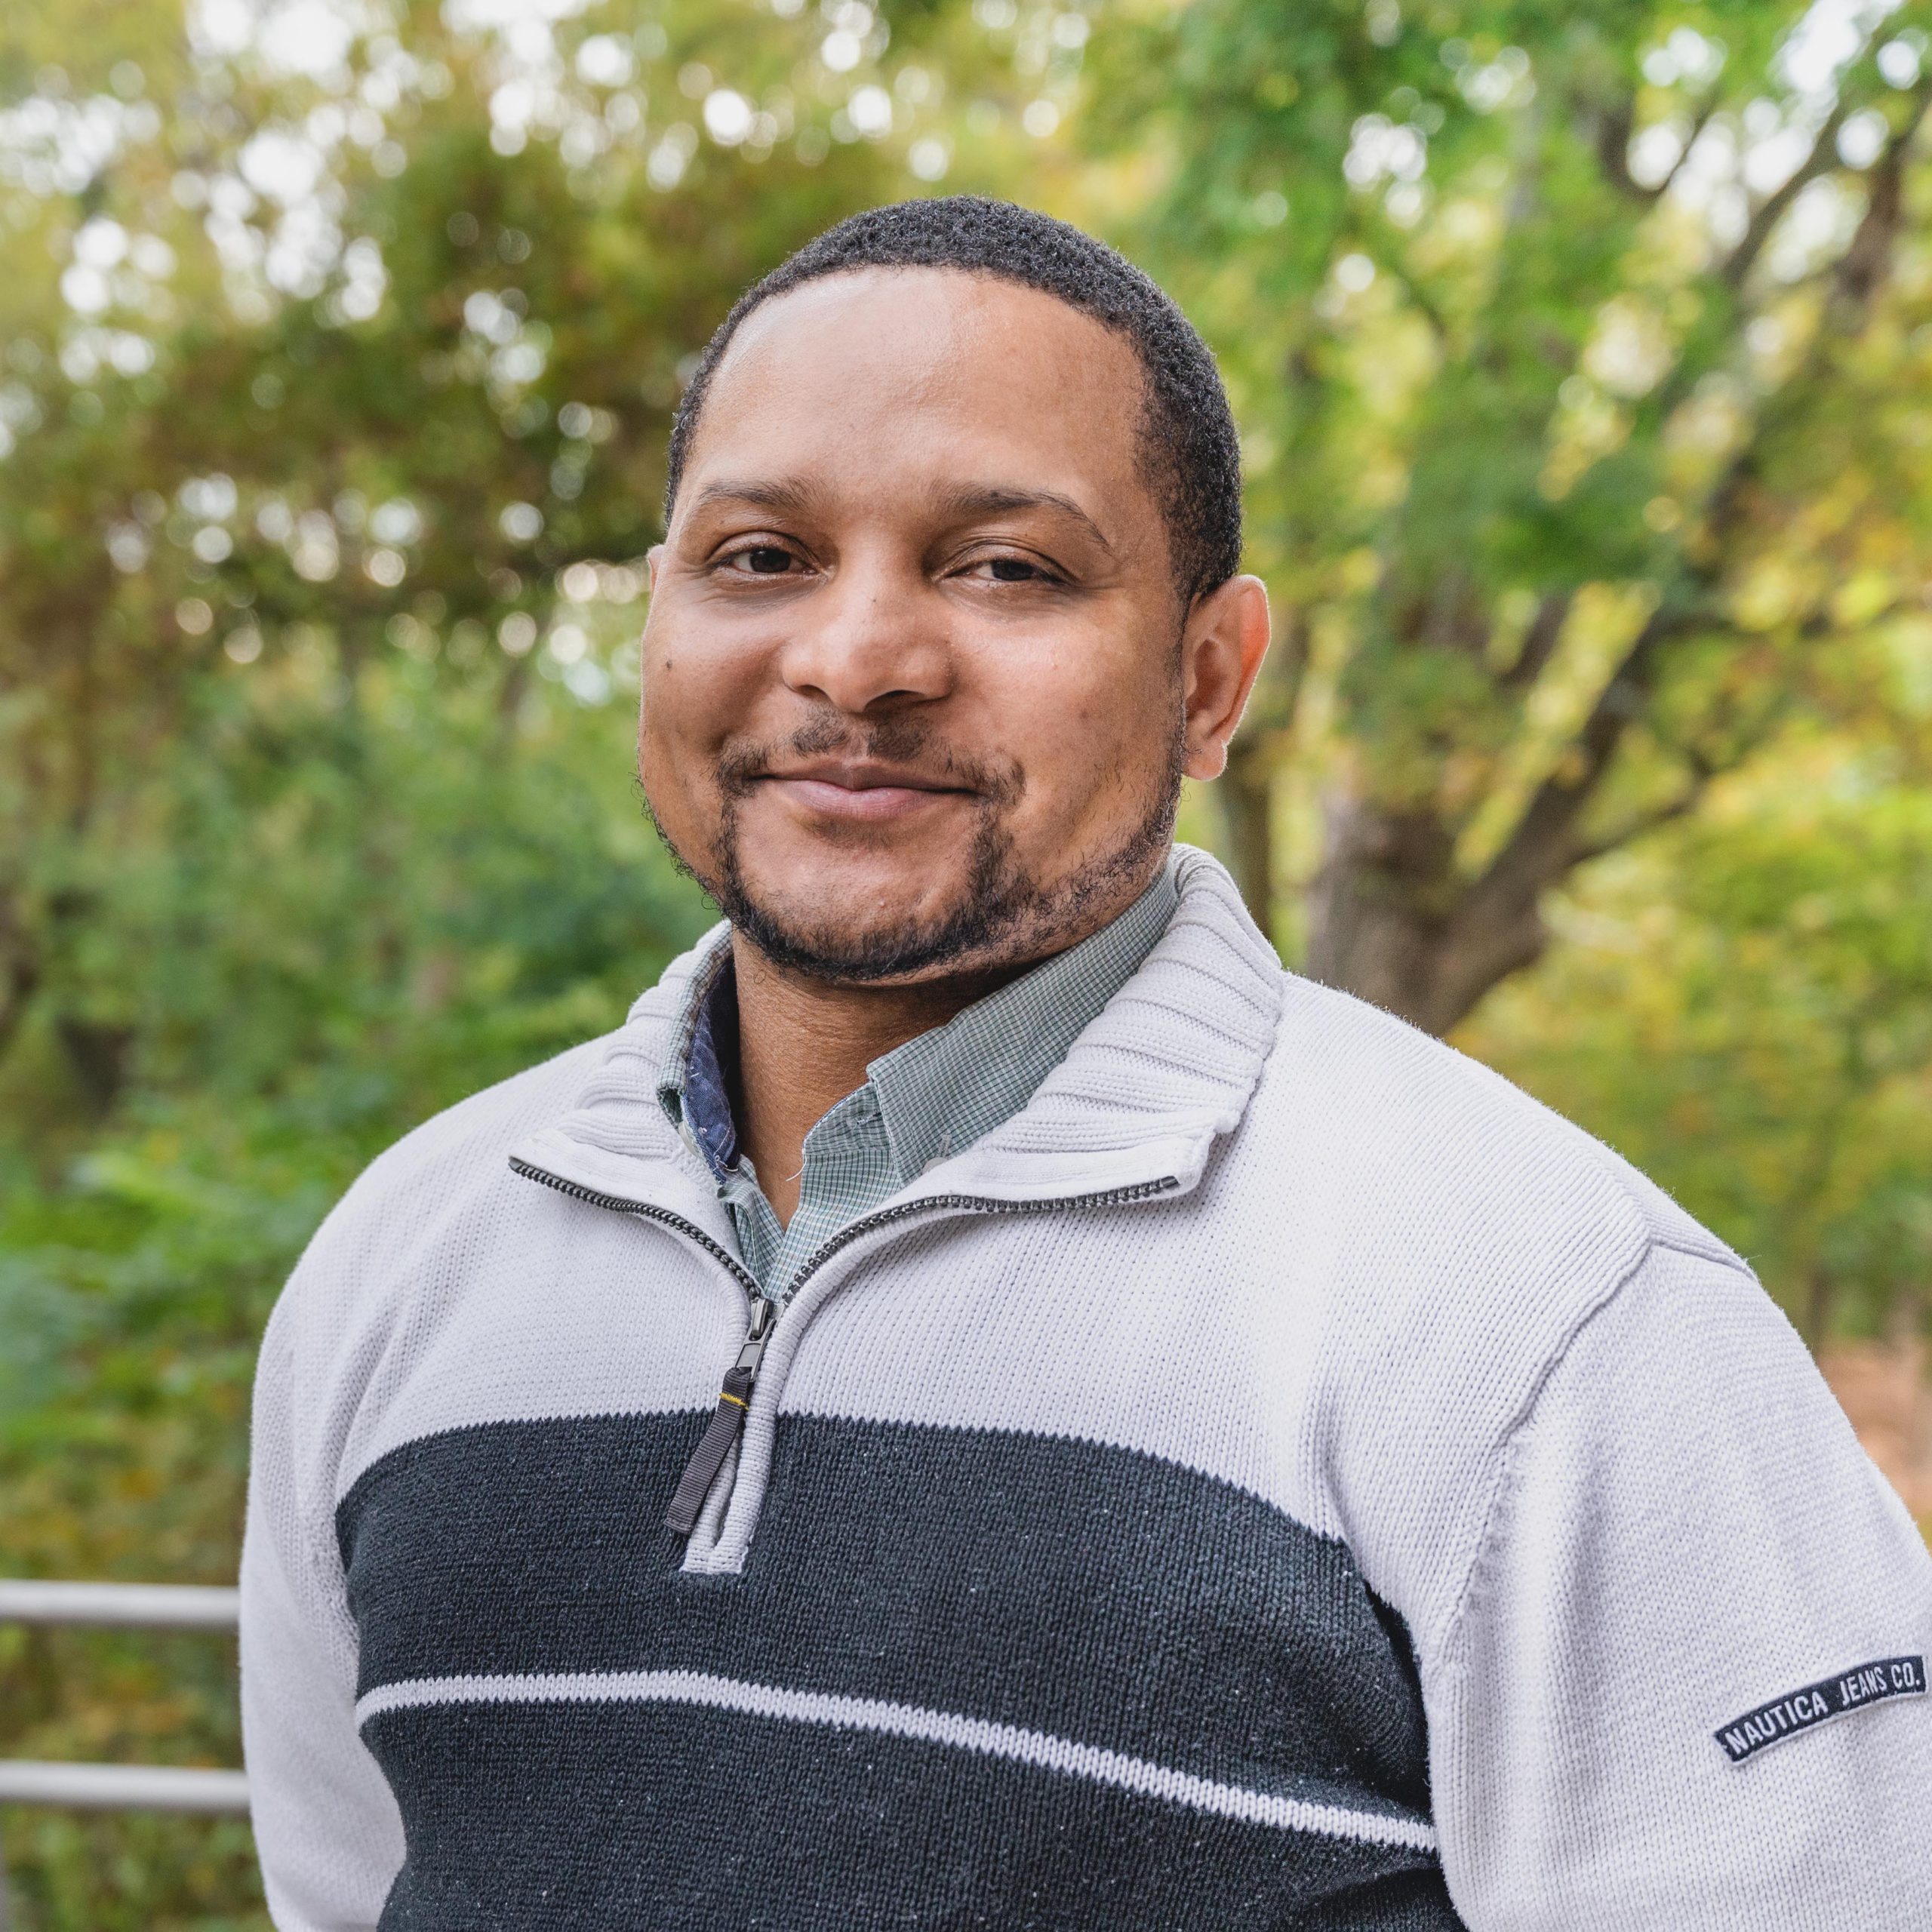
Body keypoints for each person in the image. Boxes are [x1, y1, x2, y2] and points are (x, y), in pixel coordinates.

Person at [239, 197, 1932, 1930]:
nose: (856, 659)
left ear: (1207, 681)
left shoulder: (1542, 1317)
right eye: (759, 555)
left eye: (1005, 568)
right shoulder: (405, 1263)